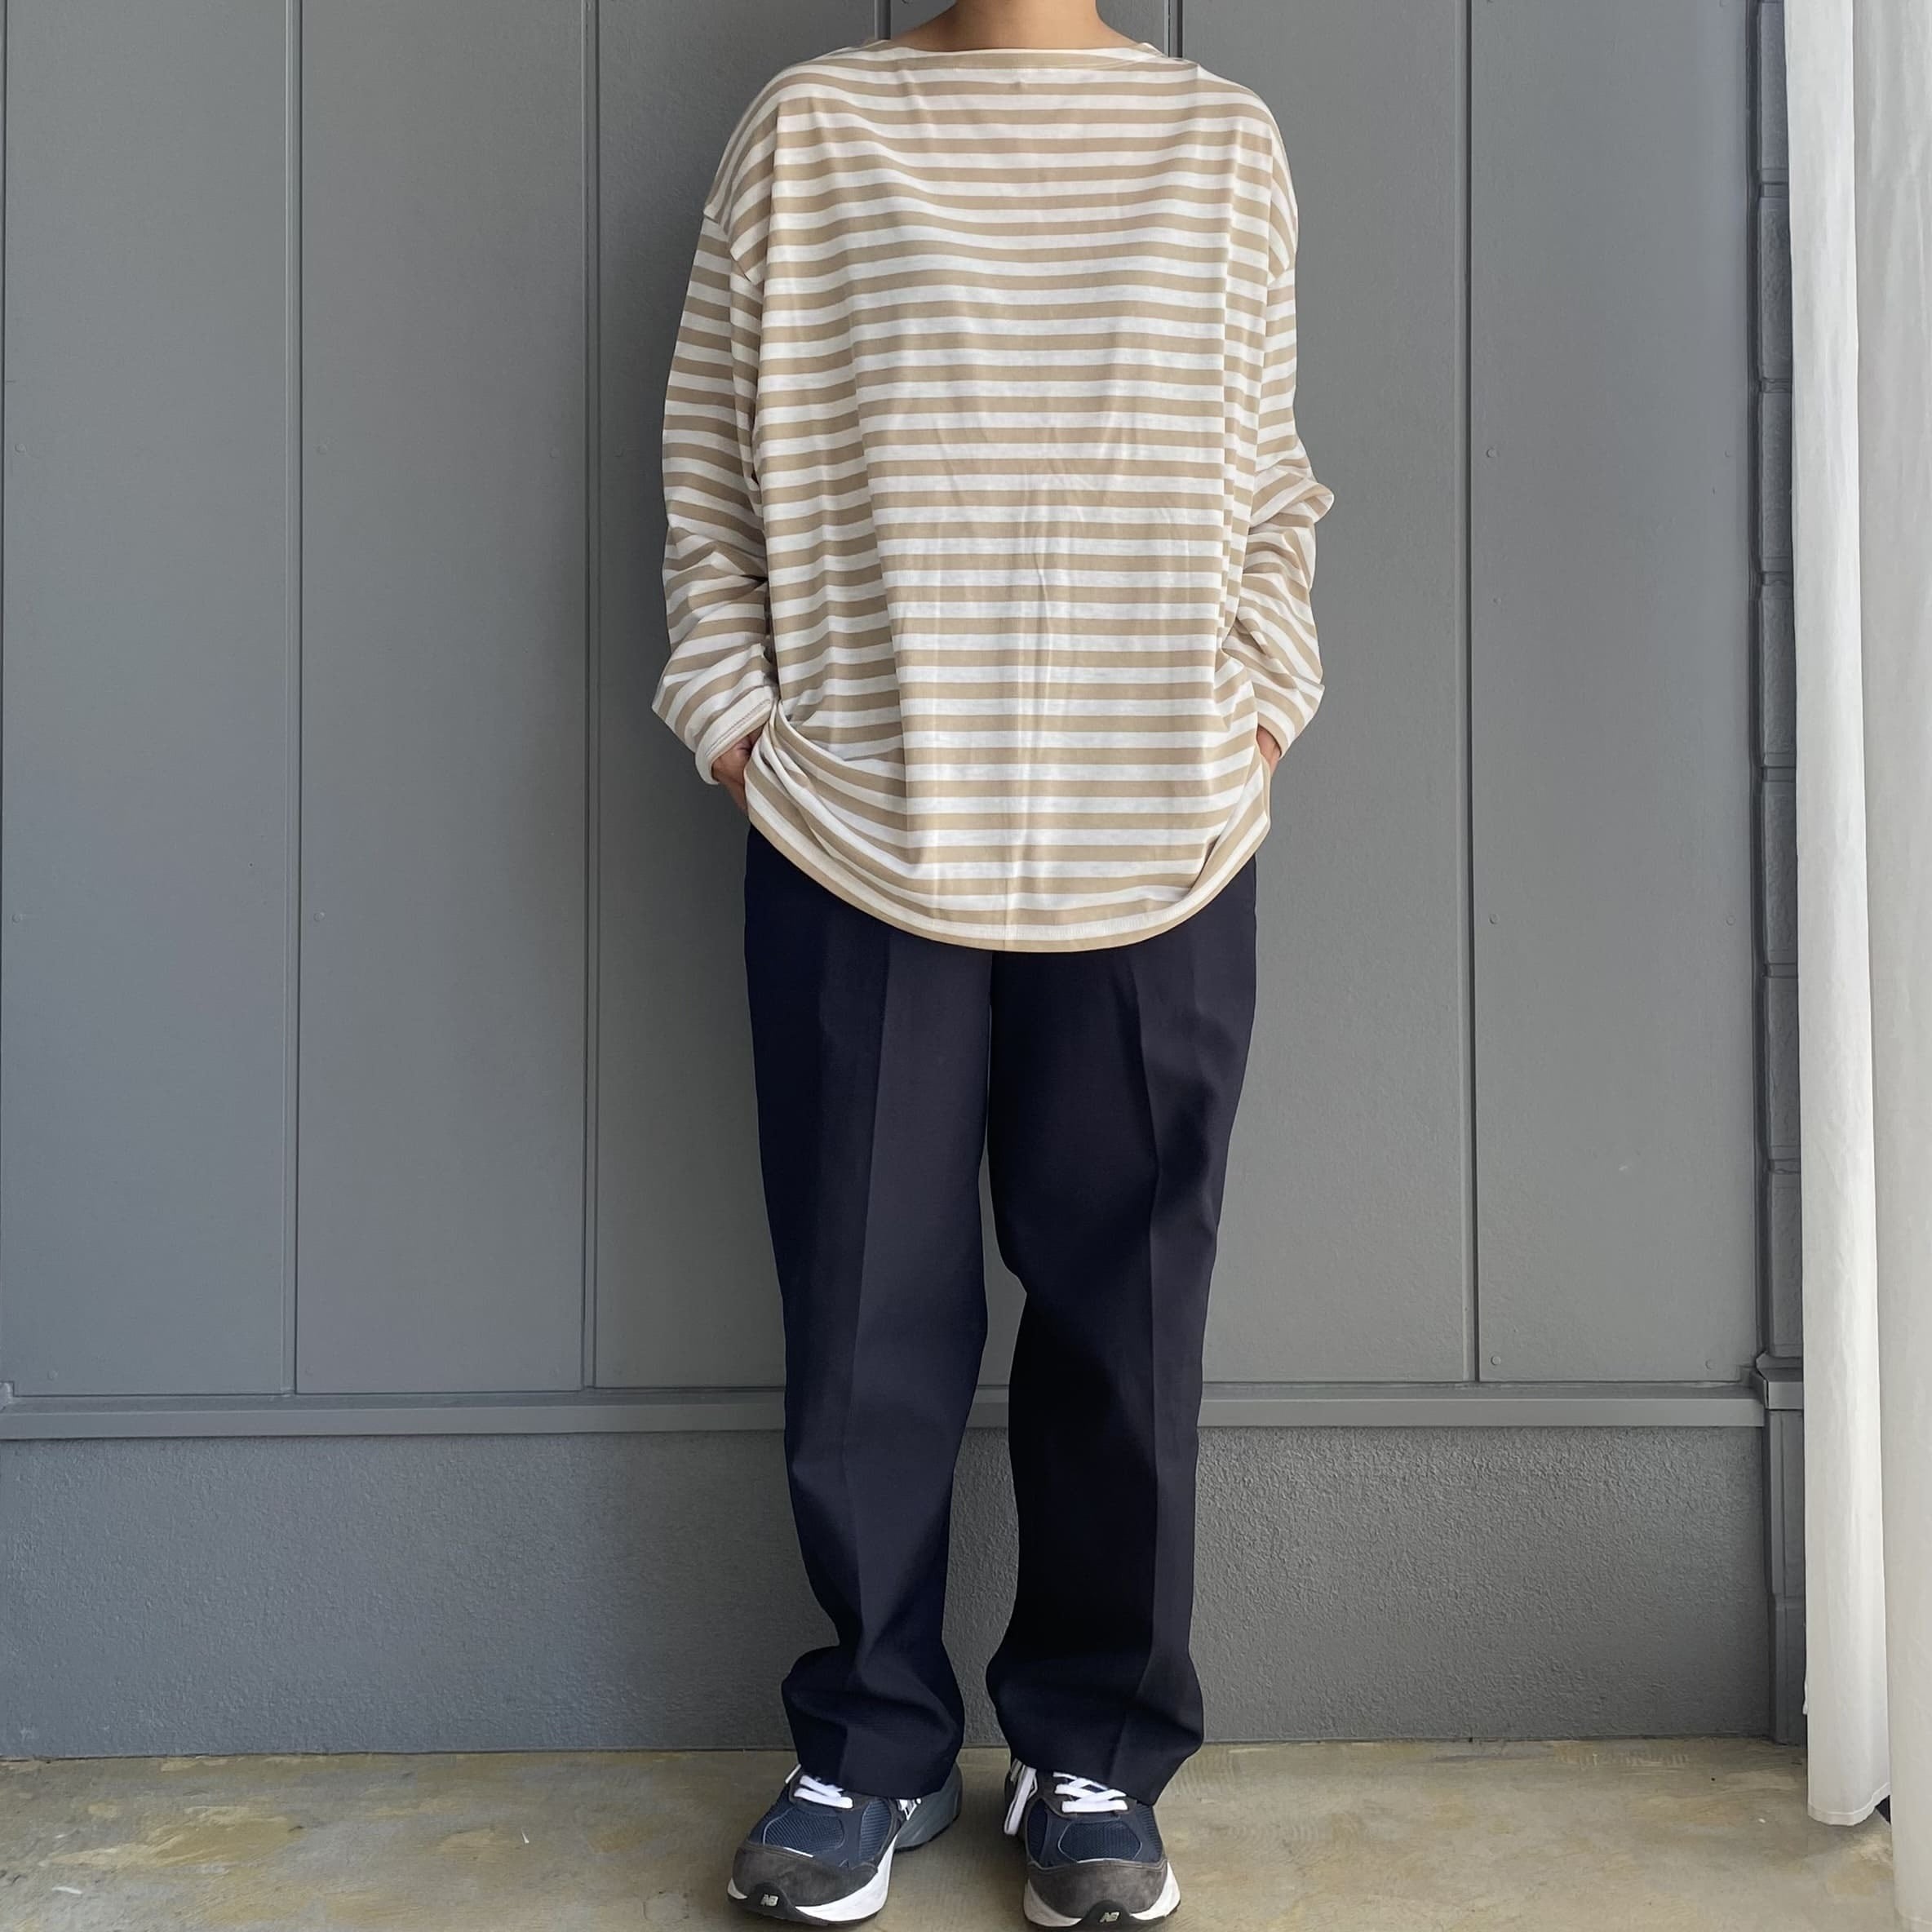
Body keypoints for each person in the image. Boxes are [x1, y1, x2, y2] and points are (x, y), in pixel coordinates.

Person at [654, 2, 1332, 1922]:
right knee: (860, 1312)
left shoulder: (1221, 146)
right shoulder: (809, 132)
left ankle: (1090, 1748)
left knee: (1128, 1319)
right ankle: (866, 1740)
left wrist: (1258, 703)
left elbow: (1267, 487)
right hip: (854, 828)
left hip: (1164, 832)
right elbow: (710, 465)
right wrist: (737, 724)